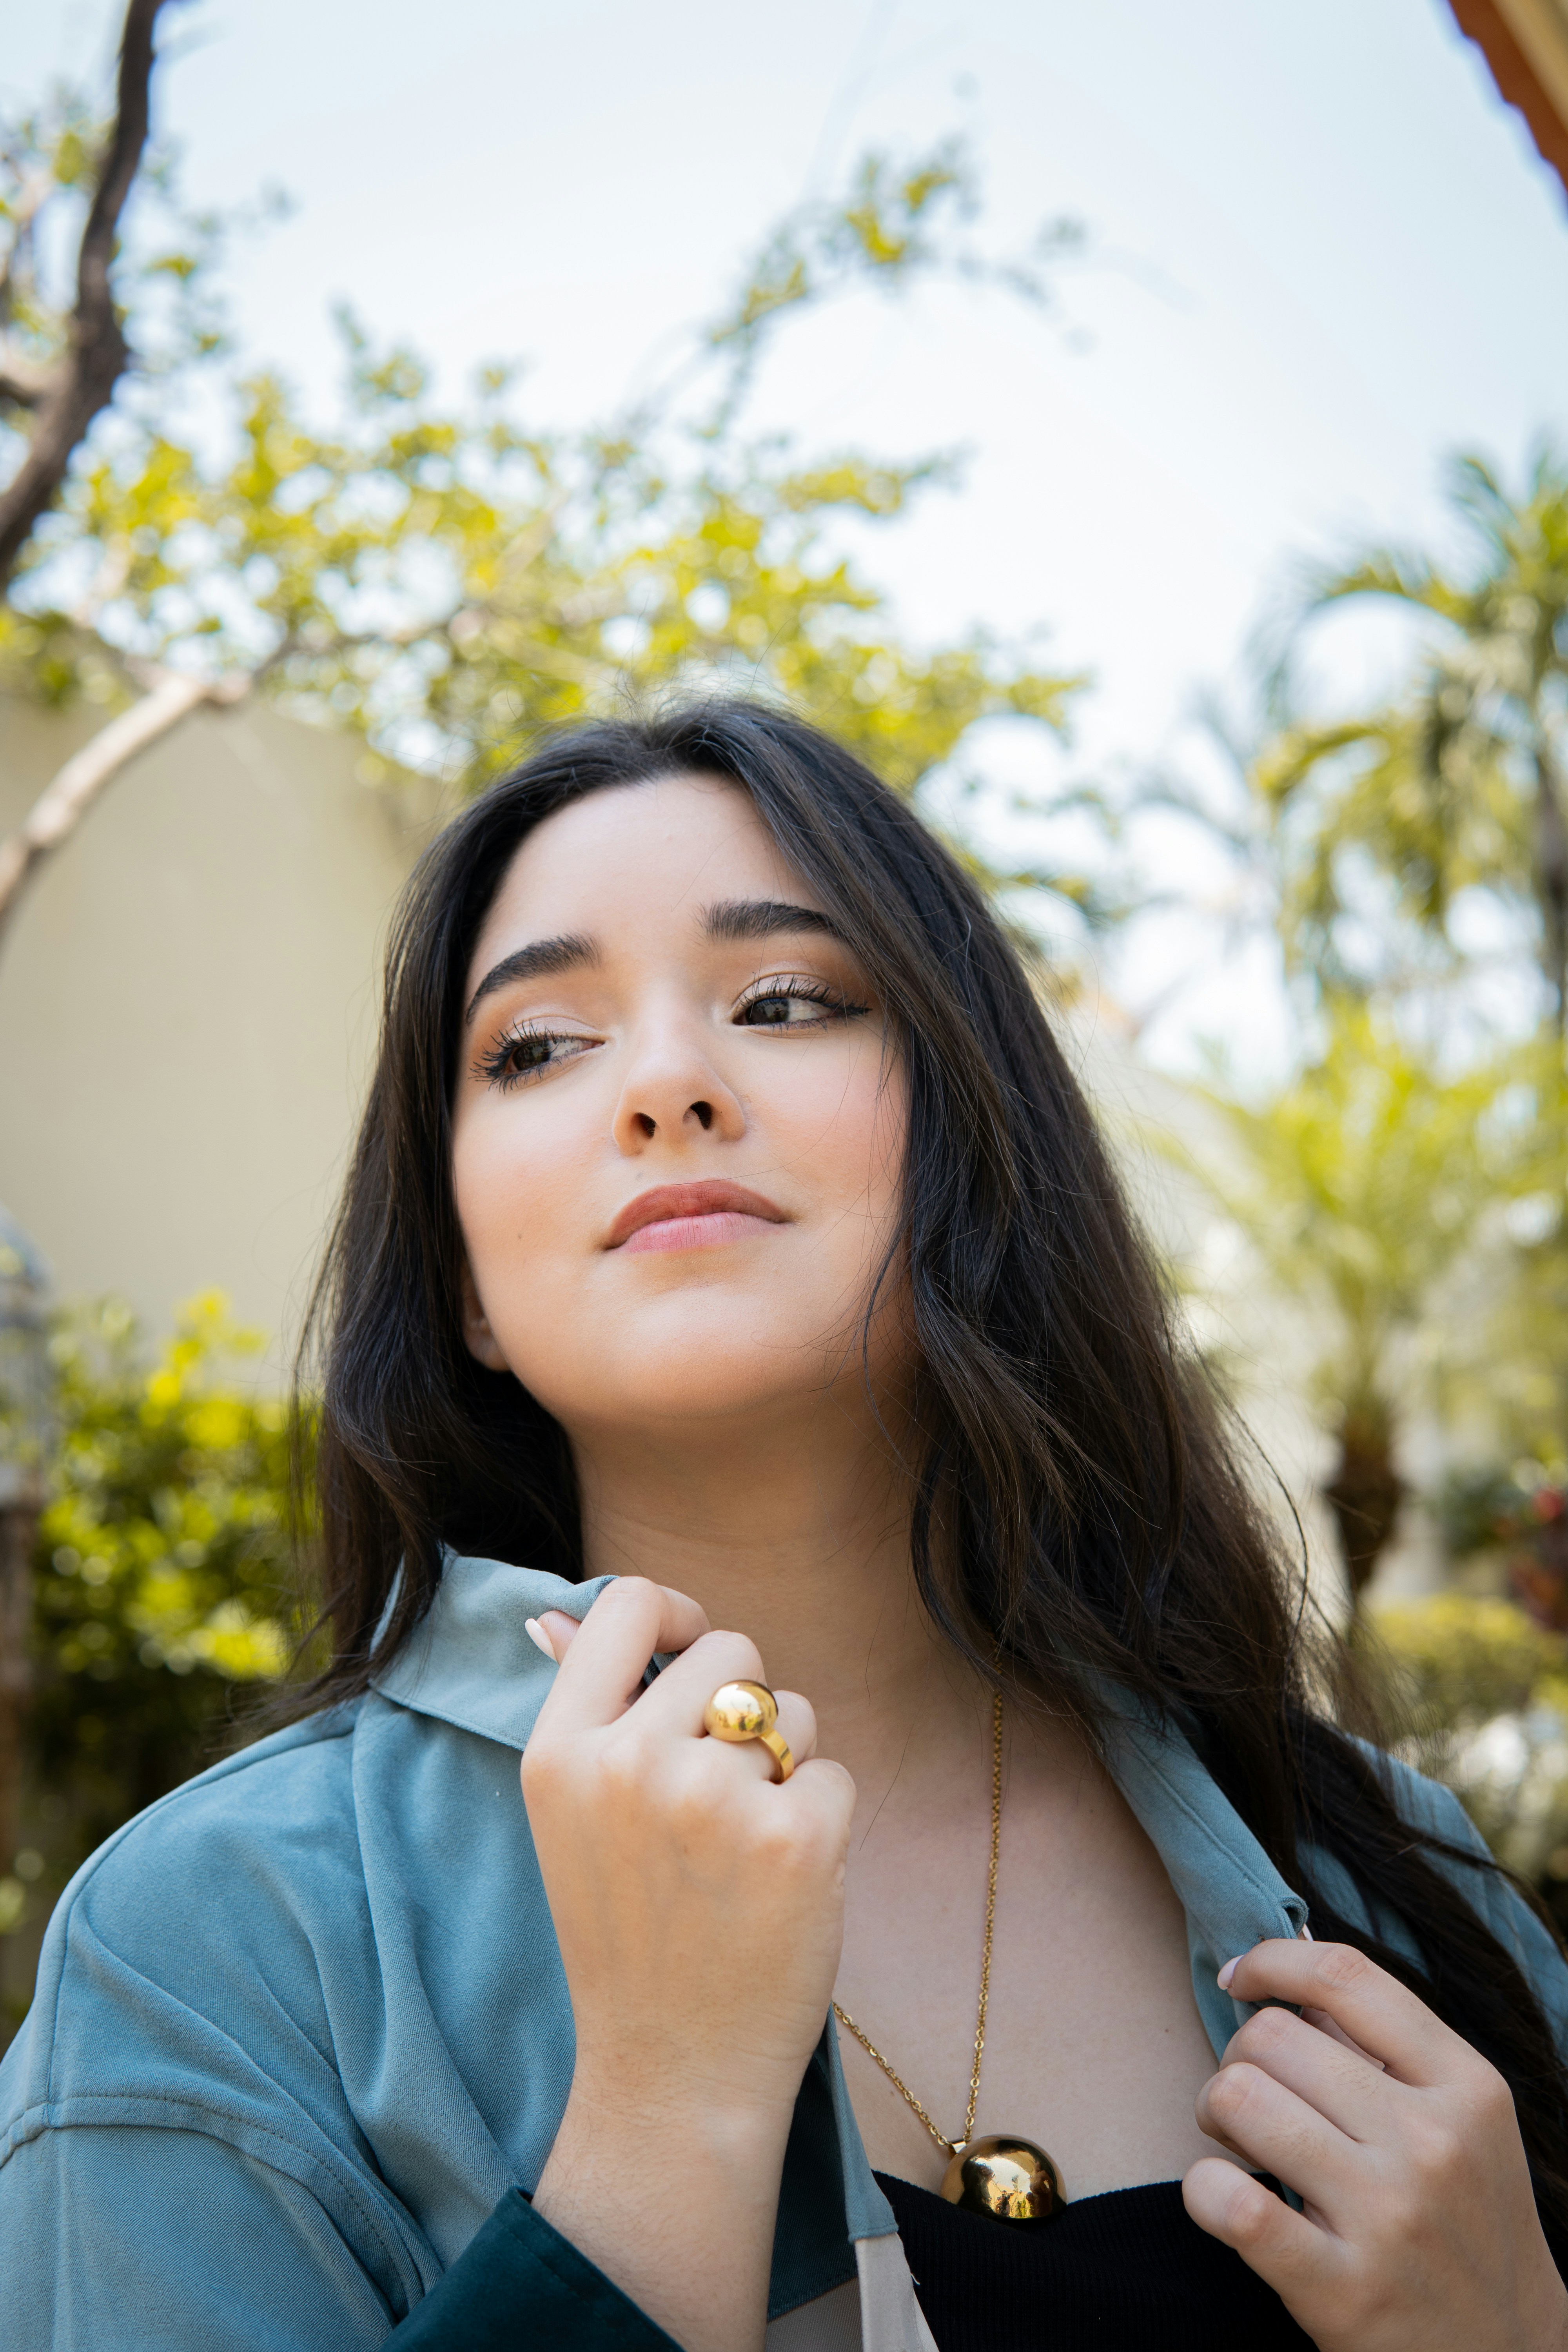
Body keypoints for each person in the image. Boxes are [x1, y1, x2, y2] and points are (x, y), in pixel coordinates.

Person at [4, 700, 1568, 2352]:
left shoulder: (1397, 1876)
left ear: (976, 1145)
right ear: (461, 1279)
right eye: (537, 1045)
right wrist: (663, 2116)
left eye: (785, 1002)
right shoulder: (215, 1954)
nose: (667, 1085)